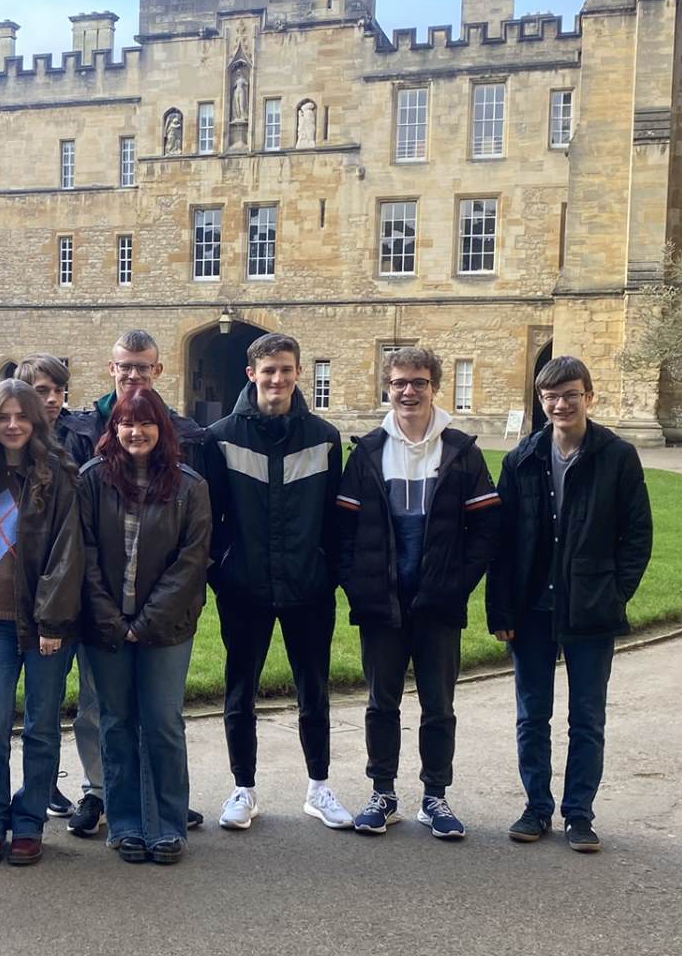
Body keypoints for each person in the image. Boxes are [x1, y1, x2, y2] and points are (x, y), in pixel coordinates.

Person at [486, 356, 654, 854]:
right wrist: (501, 611)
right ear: (542, 401)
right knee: (532, 716)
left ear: (589, 397)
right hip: (532, 610)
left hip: (589, 608)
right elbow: (501, 541)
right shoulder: (521, 459)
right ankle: (536, 808)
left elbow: (637, 535)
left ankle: (579, 813)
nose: (561, 405)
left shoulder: (617, 457)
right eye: (551, 397)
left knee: (586, 719)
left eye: (571, 395)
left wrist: (614, 593)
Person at [335, 348, 500, 840]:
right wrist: (358, 585)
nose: (409, 391)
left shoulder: (461, 452)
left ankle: (435, 797)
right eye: (400, 382)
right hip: (382, 603)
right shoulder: (367, 452)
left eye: (420, 382)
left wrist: (456, 582)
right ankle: (382, 794)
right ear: (387, 387)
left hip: (438, 604)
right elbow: (342, 531)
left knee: (439, 706)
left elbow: (487, 528)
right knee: (381, 703)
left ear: (434, 387)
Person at [57, 328, 208, 835]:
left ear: (157, 371)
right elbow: (82, 547)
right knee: (104, 715)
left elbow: (192, 553)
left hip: (162, 618)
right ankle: (106, 801)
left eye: (143, 367)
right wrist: (106, 615)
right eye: (126, 366)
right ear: (112, 368)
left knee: (161, 720)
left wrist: (147, 620)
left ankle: (162, 814)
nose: (133, 374)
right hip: (104, 615)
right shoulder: (84, 440)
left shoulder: (188, 455)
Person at [202, 332, 351, 831]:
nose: (278, 379)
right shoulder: (220, 436)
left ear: (298, 372)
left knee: (315, 690)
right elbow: (211, 517)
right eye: (268, 370)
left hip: (308, 586)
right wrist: (222, 570)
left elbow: (333, 515)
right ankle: (242, 789)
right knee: (239, 690)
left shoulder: (324, 436)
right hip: (244, 587)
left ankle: (319, 788)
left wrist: (328, 568)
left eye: (286, 369)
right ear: (252, 374)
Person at [0, 378, 82, 866]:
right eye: (3, 417)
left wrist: (51, 621)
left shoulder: (58, 474)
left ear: (36, 420)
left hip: (44, 624)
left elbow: (67, 552)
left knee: (41, 727)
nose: (12, 425)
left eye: (21, 416)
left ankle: (30, 821)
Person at [16, 354, 99, 830]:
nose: (51, 399)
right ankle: (42, 785)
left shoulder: (82, 436)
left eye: (57, 390)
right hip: (36, 590)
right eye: (41, 390)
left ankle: (102, 790)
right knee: (42, 704)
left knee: (94, 700)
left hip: (86, 584)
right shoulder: (10, 442)